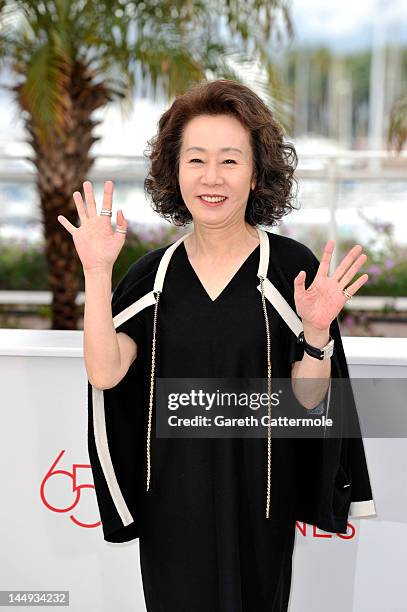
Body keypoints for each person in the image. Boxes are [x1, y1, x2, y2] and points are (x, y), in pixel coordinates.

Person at [57, 79, 376, 612]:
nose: (212, 177)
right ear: (174, 171)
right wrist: (95, 271)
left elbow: (308, 404)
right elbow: (105, 371)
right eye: (196, 159)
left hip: (260, 507)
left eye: (230, 161)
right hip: (172, 509)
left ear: (256, 174)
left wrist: (316, 336)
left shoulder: (291, 270)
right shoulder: (151, 276)